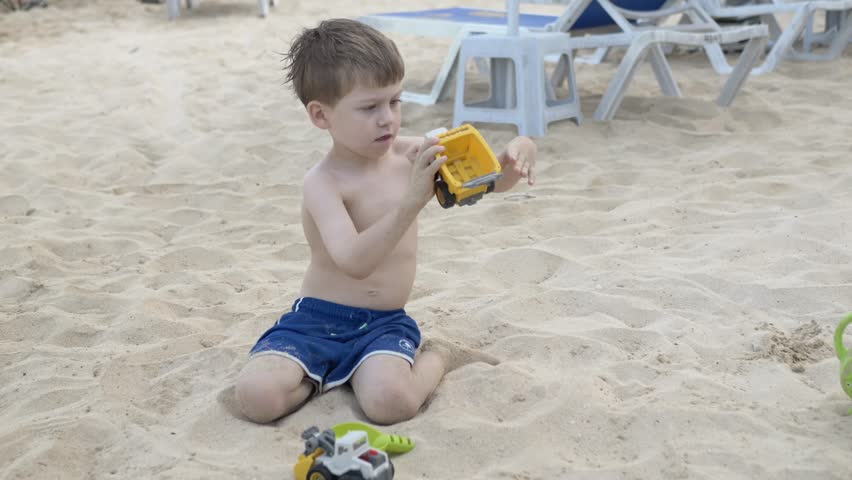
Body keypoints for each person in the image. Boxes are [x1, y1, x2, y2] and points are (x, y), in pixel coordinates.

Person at [235, 18, 538, 425]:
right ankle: (319, 374)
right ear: (321, 116)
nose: (388, 119)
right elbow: (354, 261)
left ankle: (439, 355)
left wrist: (518, 153)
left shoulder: (412, 155)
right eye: (369, 107)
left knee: (392, 403)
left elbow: (490, 182)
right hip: (316, 320)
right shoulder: (323, 183)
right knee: (256, 398)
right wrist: (412, 201)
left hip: (384, 323)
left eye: (395, 101)